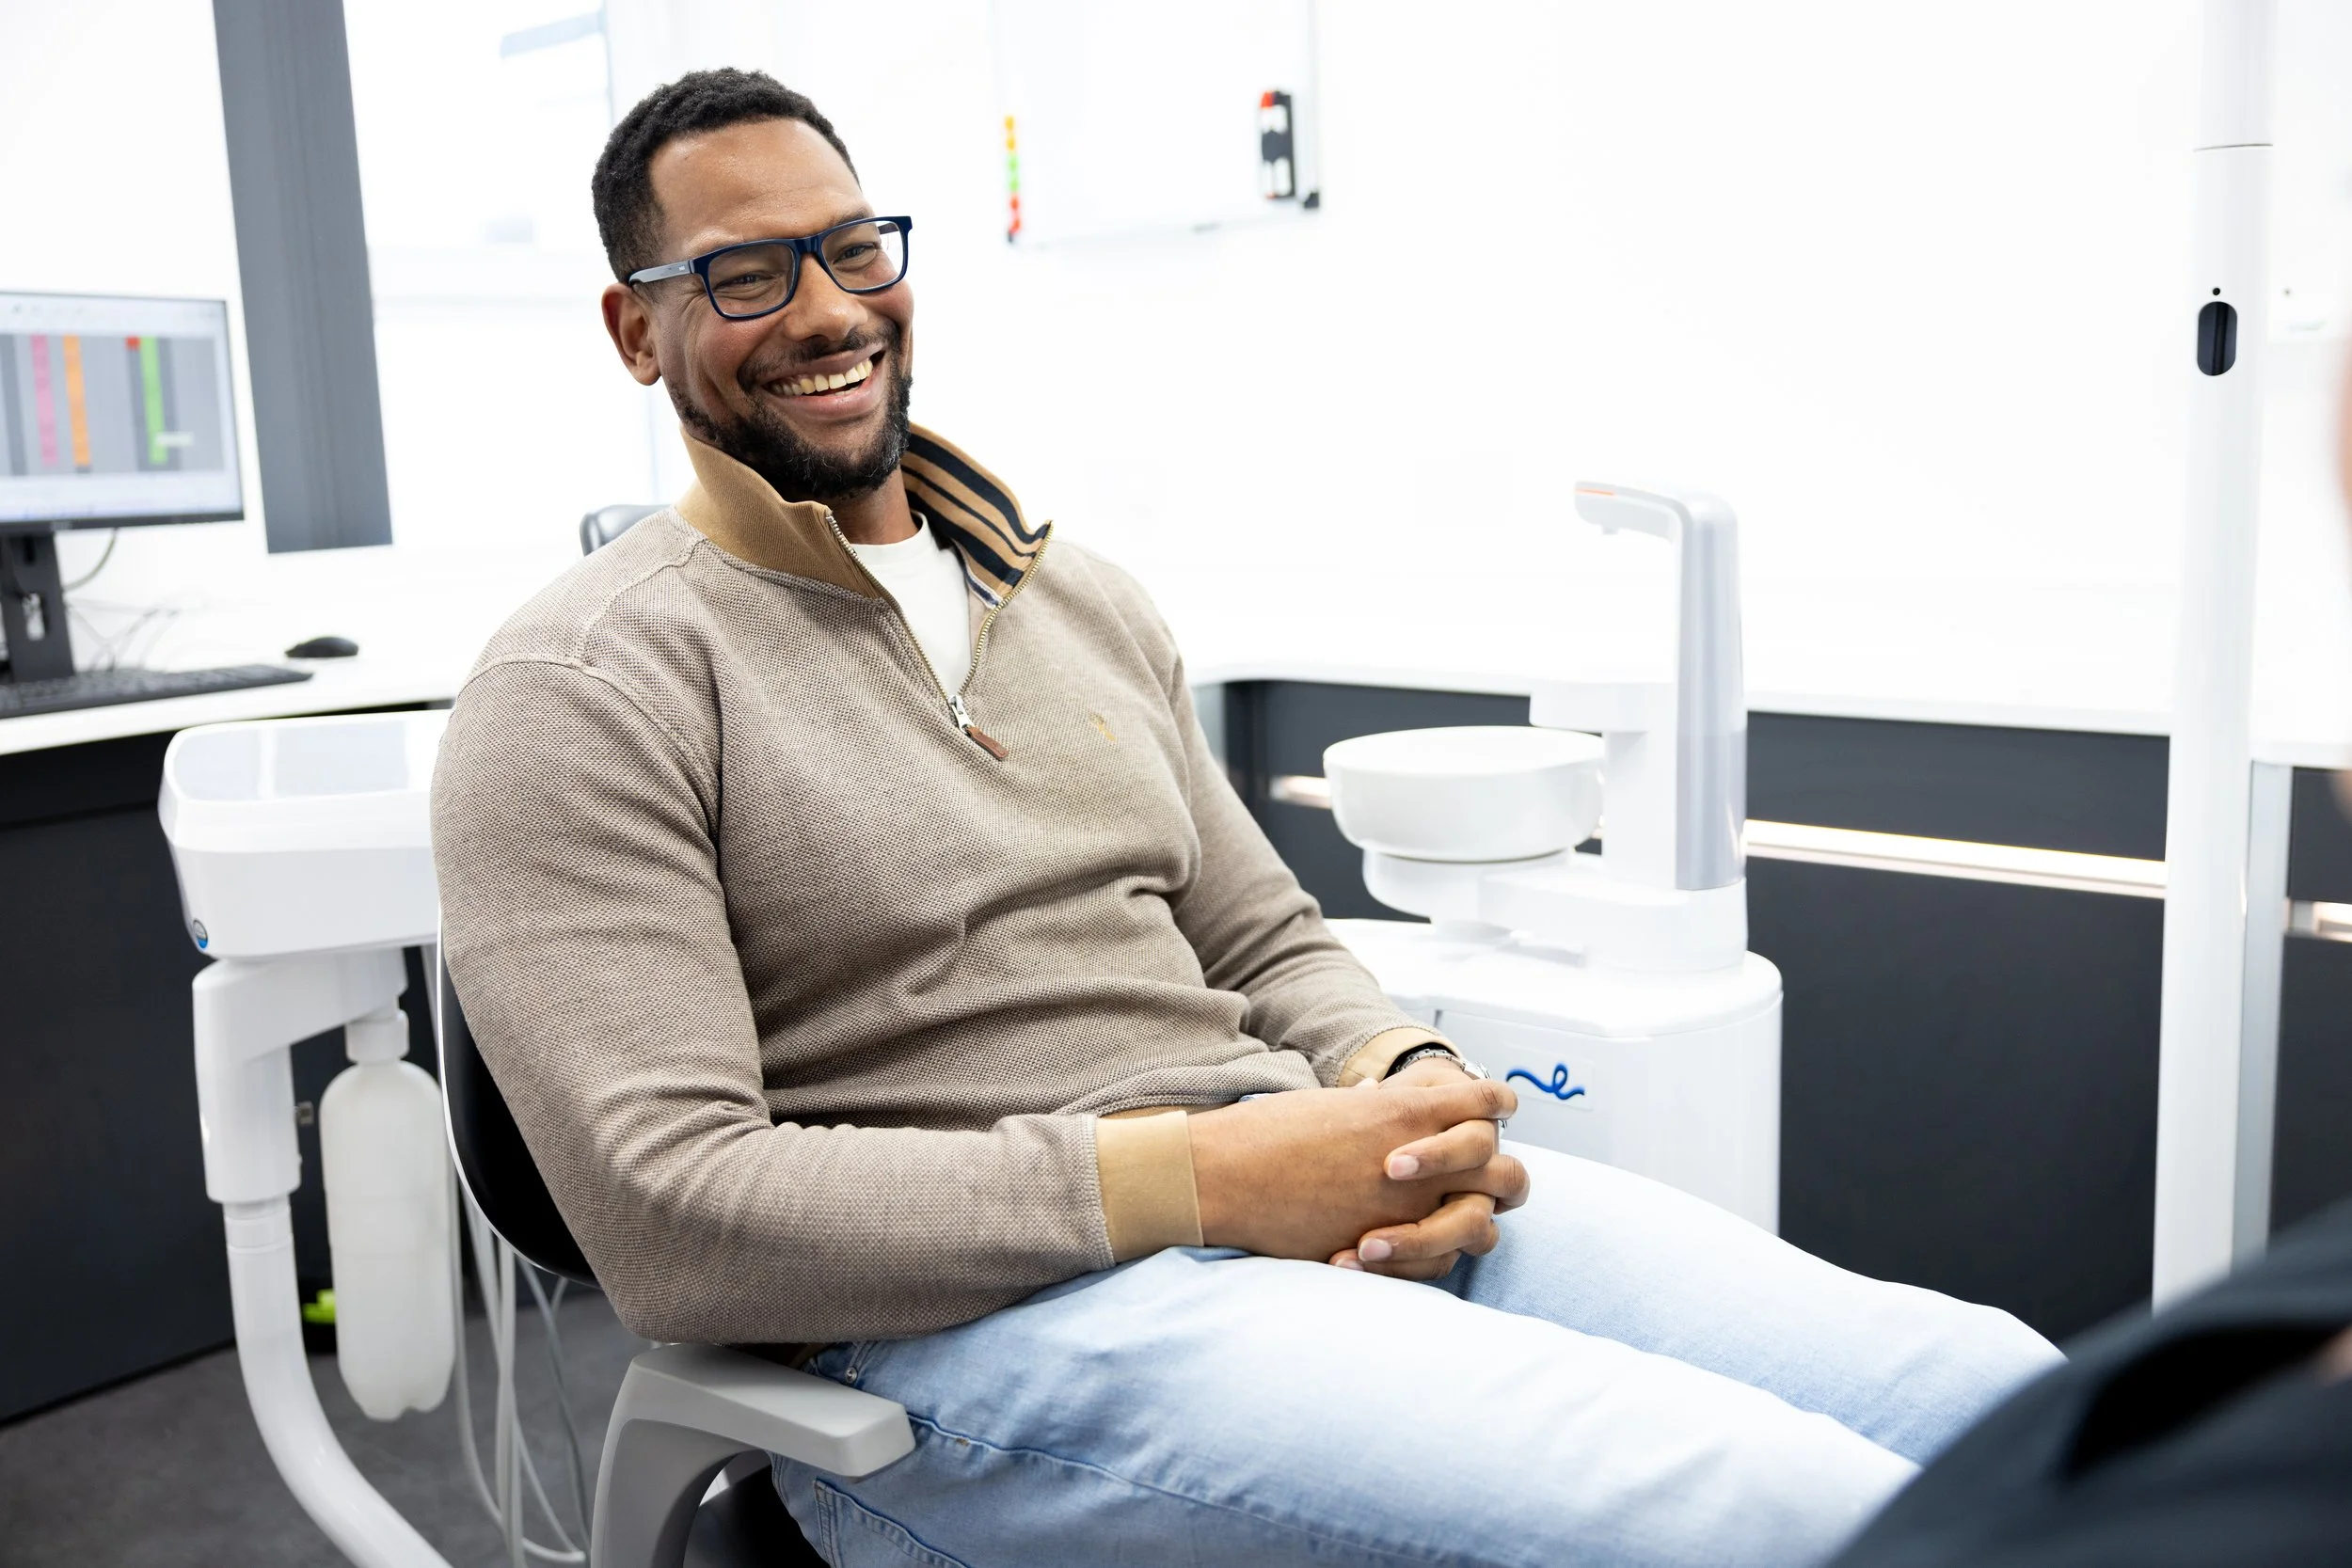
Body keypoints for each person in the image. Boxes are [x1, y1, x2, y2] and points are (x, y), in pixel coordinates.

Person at [431, 68, 2057, 1566]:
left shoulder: (1082, 600)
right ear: (635, 330)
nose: (830, 308)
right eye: (745, 273)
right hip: (971, 1332)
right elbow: (678, 1218)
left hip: (1299, 1192)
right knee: (1779, 1516)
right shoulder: (580, 686)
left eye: (855, 247)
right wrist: (1206, 1177)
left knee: (2007, 1398)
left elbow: (1267, 939)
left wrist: (1407, 1088)